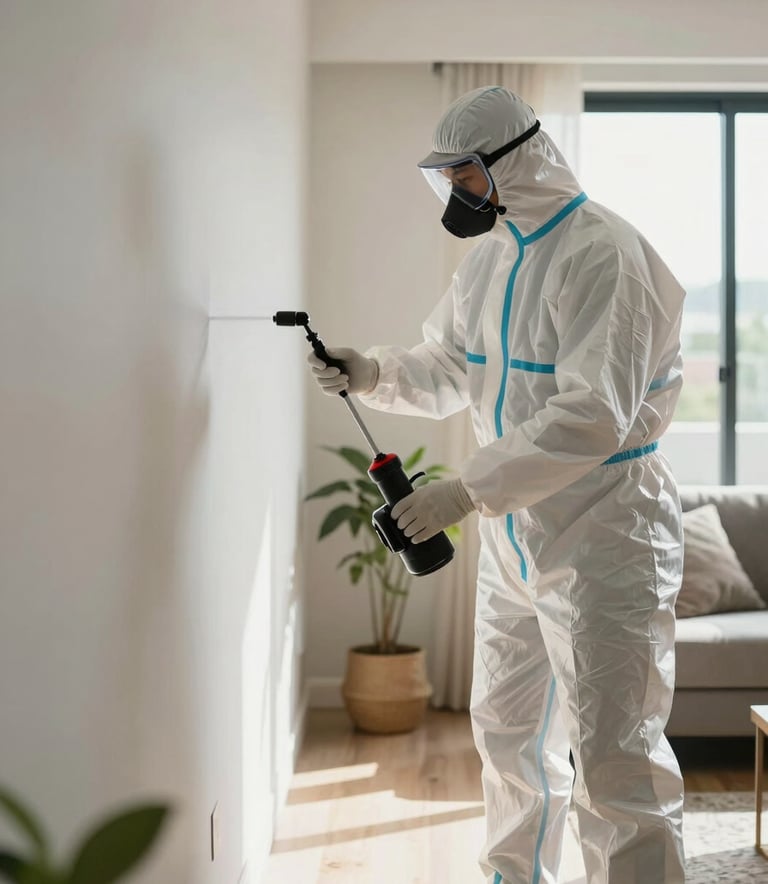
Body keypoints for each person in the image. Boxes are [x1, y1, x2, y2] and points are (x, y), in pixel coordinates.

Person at [308, 86, 686, 884]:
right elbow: (447, 366)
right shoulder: (494, 258)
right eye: (446, 178)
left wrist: (464, 492)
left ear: (521, 160)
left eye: (467, 176)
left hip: (606, 531)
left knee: (616, 756)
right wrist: (372, 371)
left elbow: (592, 417)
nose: (456, 194)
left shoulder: (604, 253)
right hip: (516, 538)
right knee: (508, 733)